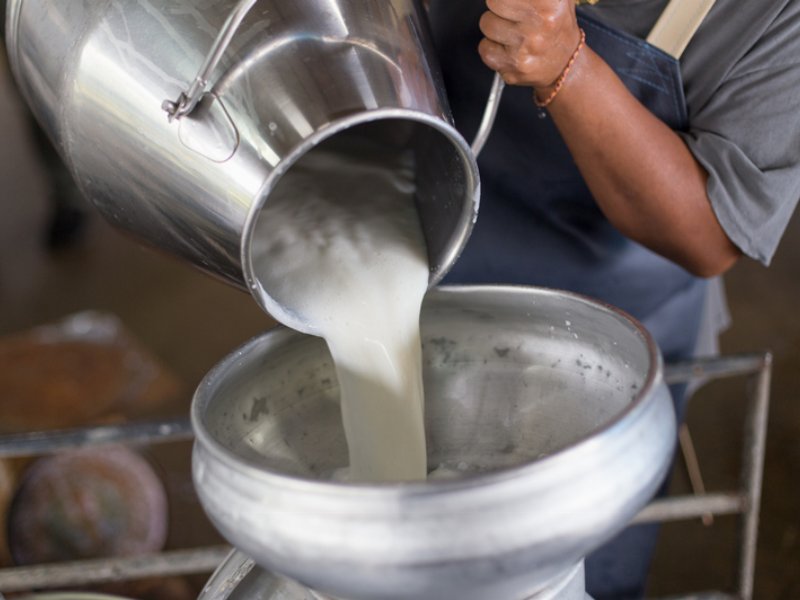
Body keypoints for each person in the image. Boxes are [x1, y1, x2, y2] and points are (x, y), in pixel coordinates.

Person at [426, 0, 800, 597]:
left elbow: (710, 234)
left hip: (609, 329)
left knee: (576, 570)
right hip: (423, 240)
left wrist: (567, 68)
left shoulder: (774, 17)